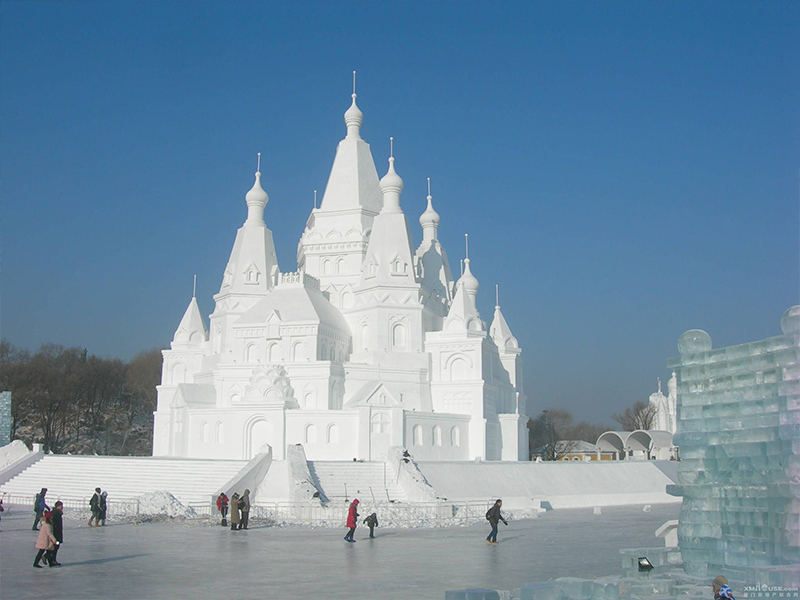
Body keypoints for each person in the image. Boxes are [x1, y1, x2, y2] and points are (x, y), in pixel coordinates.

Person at [50, 501, 64, 566]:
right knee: (56, 546)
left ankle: (52, 560)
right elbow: (53, 522)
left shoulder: (57, 512)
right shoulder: (56, 513)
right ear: (57, 506)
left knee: (55, 546)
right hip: (56, 533)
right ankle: (50, 558)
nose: (62, 507)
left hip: (57, 532)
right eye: (61, 506)